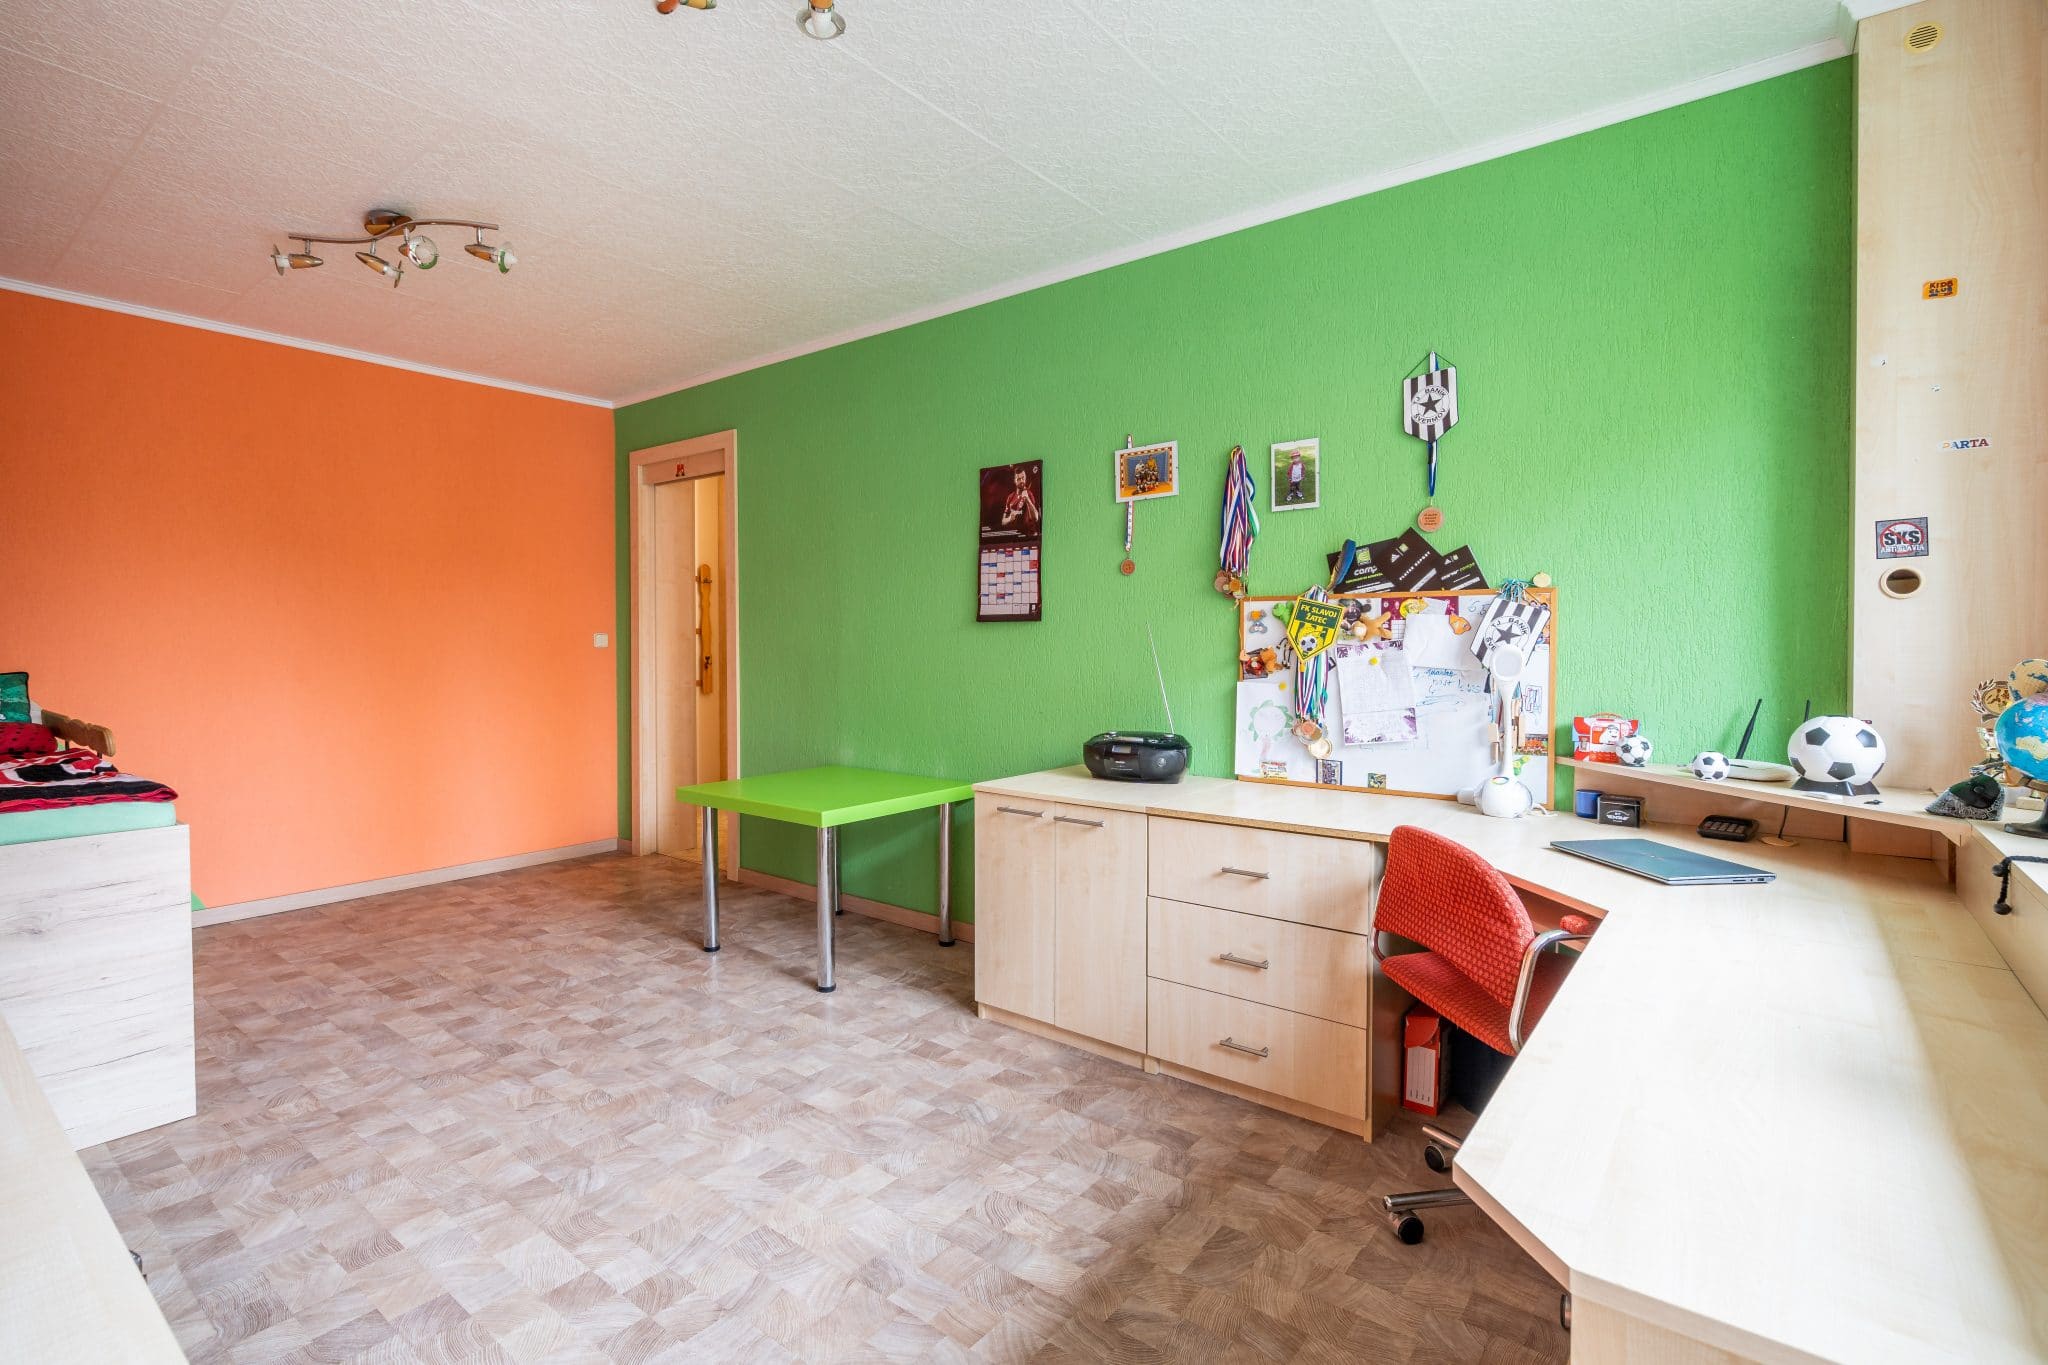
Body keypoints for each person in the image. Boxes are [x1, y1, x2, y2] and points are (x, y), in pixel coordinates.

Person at [1000, 465, 1040, 534]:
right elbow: (1003, 522)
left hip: (1029, 535)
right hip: (1015, 535)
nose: (1021, 481)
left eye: (1023, 478)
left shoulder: (1029, 494)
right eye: (1018, 479)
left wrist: (1027, 499)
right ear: (1014, 480)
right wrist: (1009, 519)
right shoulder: (1010, 497)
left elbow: (1035, 518)